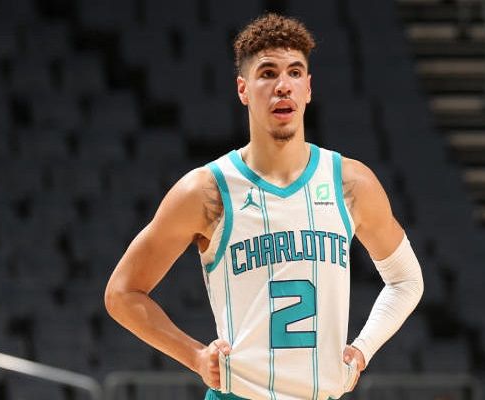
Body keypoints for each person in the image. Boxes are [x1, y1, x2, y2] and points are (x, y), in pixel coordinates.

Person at [105, 13, 424, 400]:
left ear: (308, 88)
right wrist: (195, 356)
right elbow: (122, 292)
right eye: (268, 73)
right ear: (243, 89)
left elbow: (407, 280)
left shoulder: (351, 184)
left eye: (294, 73)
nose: (283, 86)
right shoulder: (206, 191)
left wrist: (363, 349)